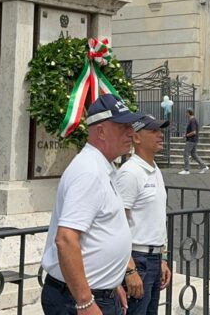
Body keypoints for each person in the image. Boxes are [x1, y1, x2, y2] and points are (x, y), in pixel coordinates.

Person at [41, 93, 139, 315]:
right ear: (101, 131)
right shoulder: (89, 171)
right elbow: (66, 239)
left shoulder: (102, 167)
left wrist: (111, 283)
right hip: (77, 299)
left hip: (95, 293)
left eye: (131, 126)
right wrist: (85, 301)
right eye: (123, 127)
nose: (131, 133)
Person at [114, 114, 173, 315]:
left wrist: (163, 257)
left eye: (160, 130)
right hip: (137, 259)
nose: (160, 135)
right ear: (137, 138)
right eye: (153, 130)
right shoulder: (130, 173)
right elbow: (116, 224)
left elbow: (157, 219)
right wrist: (129, 269)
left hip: (153, 259)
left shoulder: (155, 169)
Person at [180, 108, 208, 175]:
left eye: (186, 113)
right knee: (194, 154)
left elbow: (194, 132)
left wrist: (186, 135)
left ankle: (186, 170)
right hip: (194, 140)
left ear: (189, 113)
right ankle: (204, 167)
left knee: (186, 154)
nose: (185, 114)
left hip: (191, 140)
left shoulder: (192, 120)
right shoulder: (193, 120)